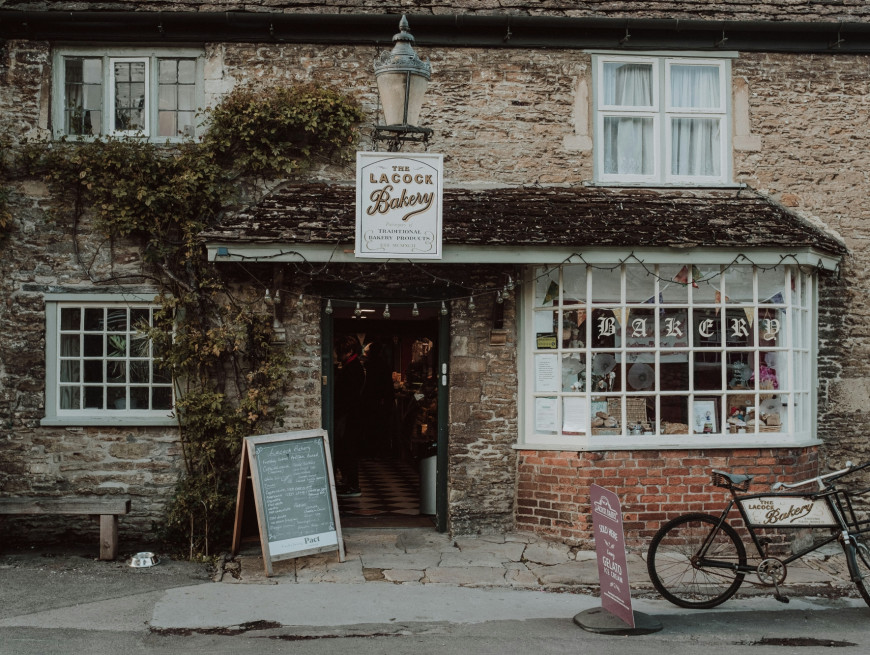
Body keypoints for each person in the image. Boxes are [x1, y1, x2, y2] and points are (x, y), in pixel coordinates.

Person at [333, 335, 366, 497]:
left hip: (348, 416)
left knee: (348, 449)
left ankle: (352, 485)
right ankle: (349, 482)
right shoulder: (353, 366)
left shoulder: (352, 368)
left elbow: (348, 396)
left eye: (341, 351)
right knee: (346, 449)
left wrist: (339, 411)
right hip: (350, 415)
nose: (338, 355)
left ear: (350, 351)